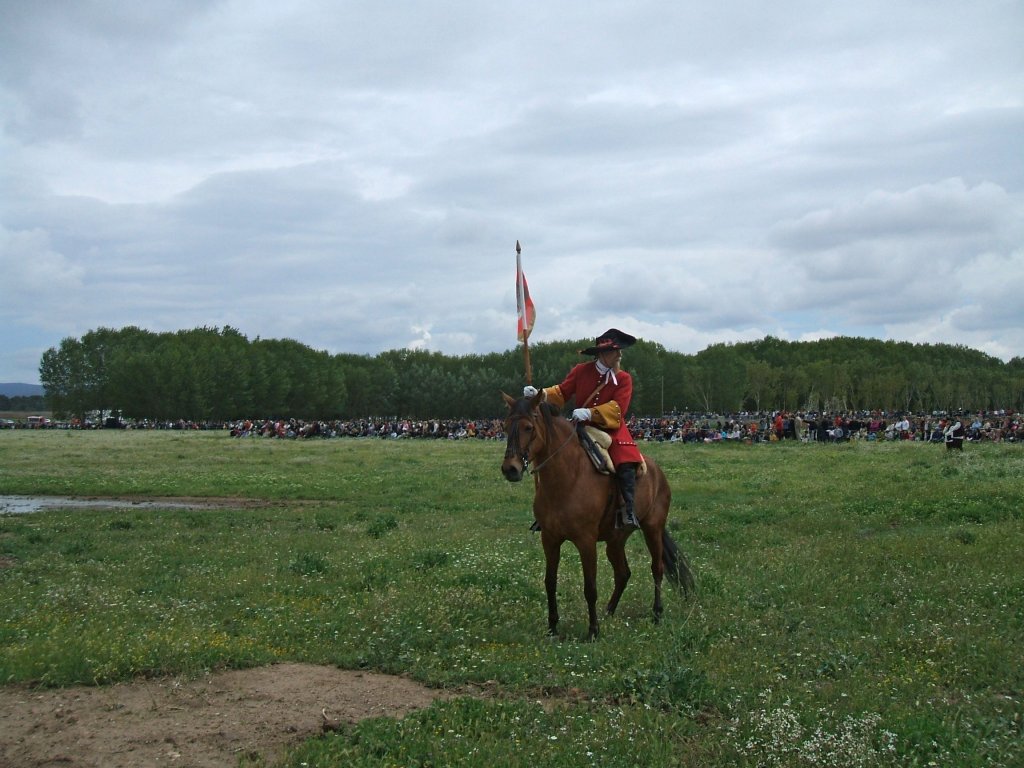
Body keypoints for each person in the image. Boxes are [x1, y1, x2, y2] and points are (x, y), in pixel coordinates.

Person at [523, 328, 644, 530]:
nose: (619, 355)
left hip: (611, 427)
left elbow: (618, 408)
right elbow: (562, 392)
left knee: (624, 459)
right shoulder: (581, 371)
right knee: (551, 456)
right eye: (616, 351)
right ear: (604, 354)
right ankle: (546, 511)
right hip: (580, 426)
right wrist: (540, 394)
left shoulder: (624, 379)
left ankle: (627, 511)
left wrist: (590, 413)